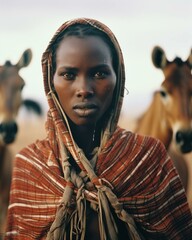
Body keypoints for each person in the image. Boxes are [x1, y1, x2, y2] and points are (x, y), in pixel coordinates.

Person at [4, 18, 192, 240]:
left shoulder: (151, 158)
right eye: (68, 75)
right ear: (50, 81)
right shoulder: (30, 166)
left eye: (99, 73)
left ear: (118, 78)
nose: (84, 89)